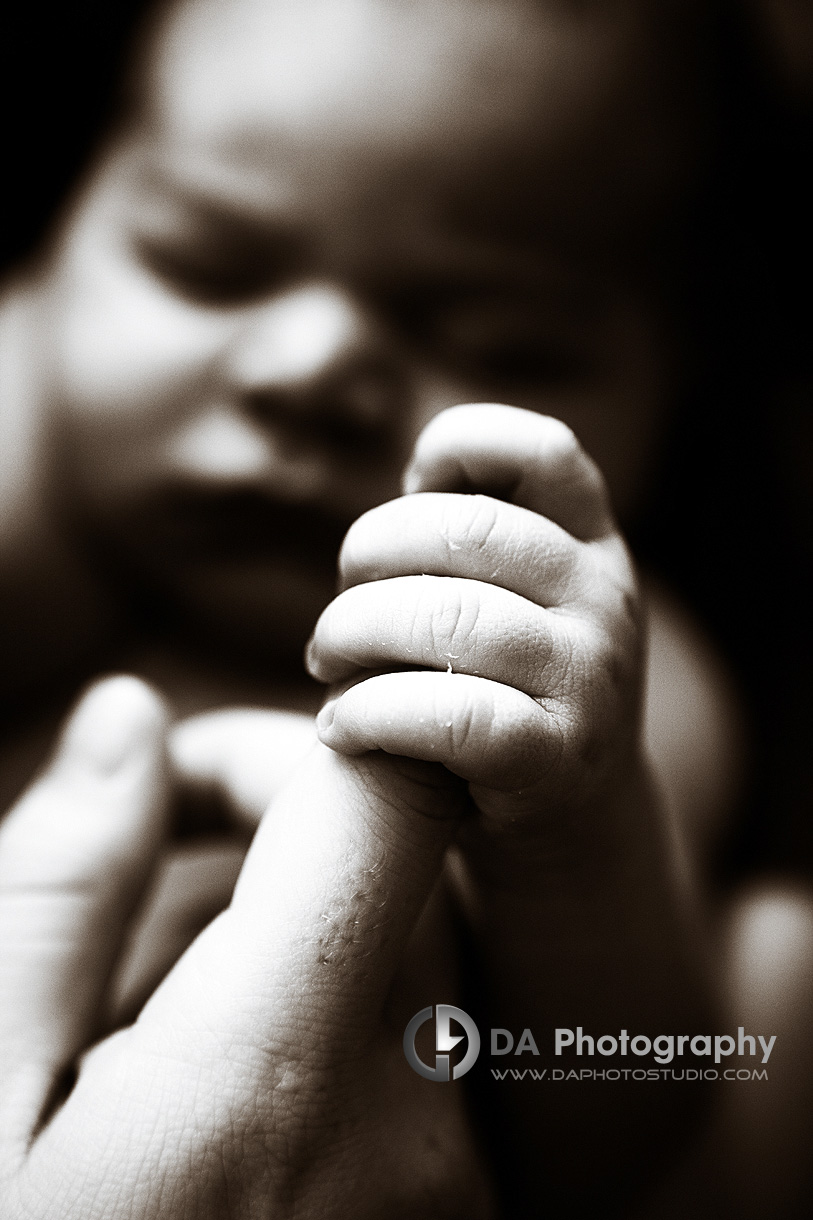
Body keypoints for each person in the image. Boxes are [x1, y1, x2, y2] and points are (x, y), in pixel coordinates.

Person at [2, 0, 804, 1214]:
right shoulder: (42, 470)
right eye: (201, 262)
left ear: (675, 400)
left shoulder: (594, 681)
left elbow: (619, 1103)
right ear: (53, 242)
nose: (314, 367)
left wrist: (572, 841)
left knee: (776, 999)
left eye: (500, 338)